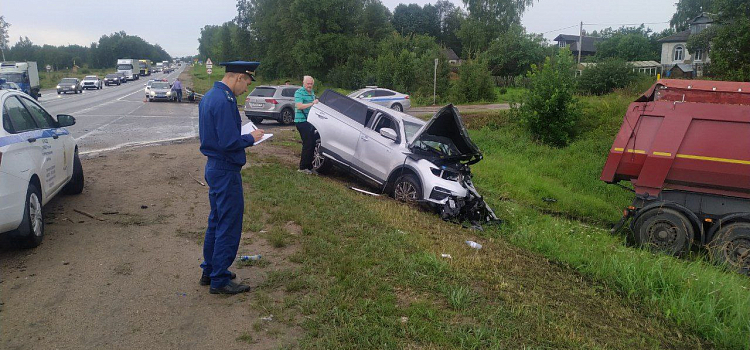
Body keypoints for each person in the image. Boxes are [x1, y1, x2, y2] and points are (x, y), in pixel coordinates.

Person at [198, 61, 264, 295]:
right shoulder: (225, 101)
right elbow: (228, 142)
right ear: (237, 78)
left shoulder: (209, 96)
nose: (246, 88)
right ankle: (219, 279)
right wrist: (252, 138)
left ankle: (210, 270)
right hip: (225, 169)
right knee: (228, 223)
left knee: (216, 220)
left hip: (214, 166)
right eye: (246, 82)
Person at [294, 76, 319, 174]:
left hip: (310, 121)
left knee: (313, 143)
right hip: (301, 121)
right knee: (308, 143)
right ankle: (302, 167)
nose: (309, 85)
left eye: (311, 84)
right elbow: (299, 106)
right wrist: (312, 103)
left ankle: (309, 166)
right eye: (308, 83)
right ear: (303, 83)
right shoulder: (299, 92)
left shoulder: (312, 93)